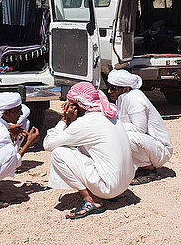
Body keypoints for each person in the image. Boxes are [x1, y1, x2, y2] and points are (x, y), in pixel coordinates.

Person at [43, 82, 134, 219]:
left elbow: (48, 144)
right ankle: (101, 193)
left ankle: (91, 200)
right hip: (124, 183)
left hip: (110, 187)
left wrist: (64, 120)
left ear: (78, 105)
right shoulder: (108, 114)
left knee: (58, 153)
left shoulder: (85, 122)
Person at [107, 69, 173, 185]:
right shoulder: (123, 98)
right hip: (148, 145)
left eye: (113, 88)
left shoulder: (134, 99)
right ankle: (139, 166)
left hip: (160, 150)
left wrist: (113, 124)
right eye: (109, 87)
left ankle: (148, 169)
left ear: (125, 89)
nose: (109, 91)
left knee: (125, 136)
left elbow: (139, 129)